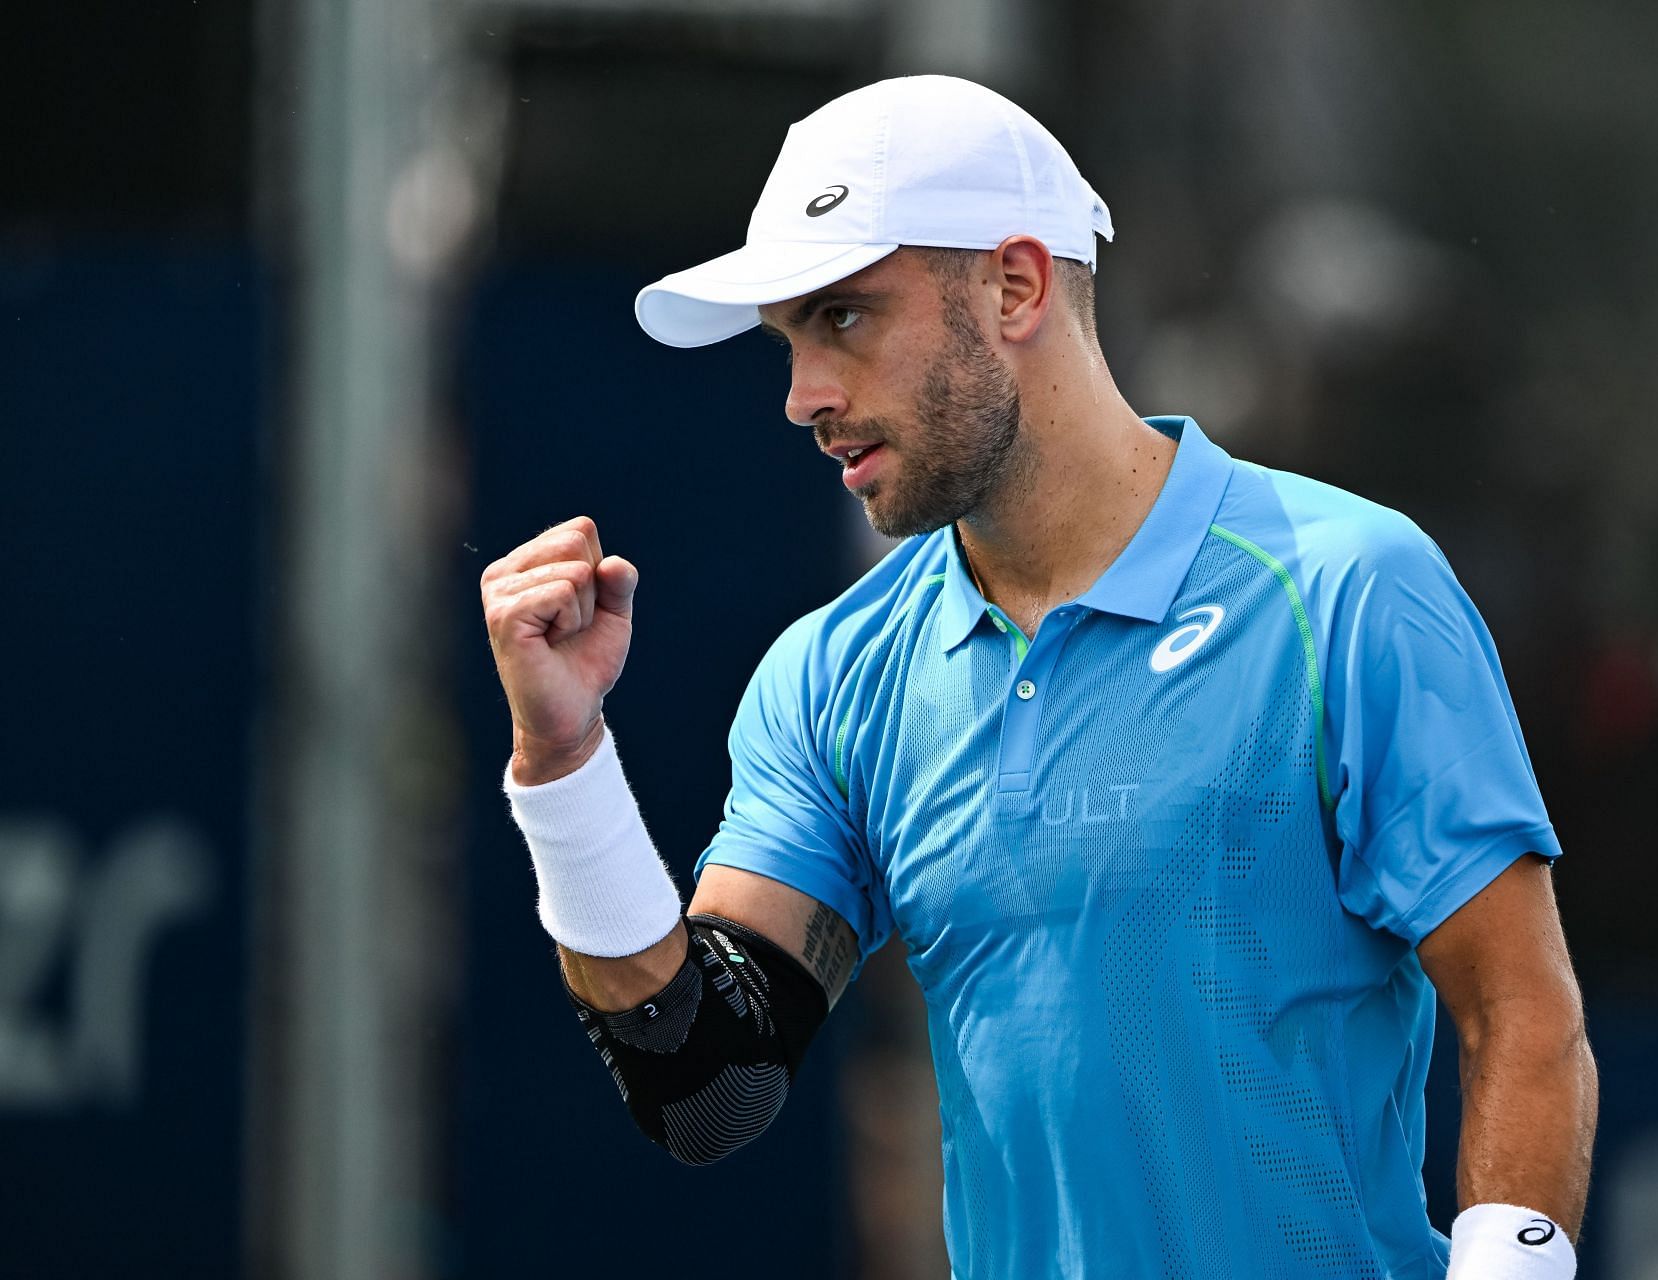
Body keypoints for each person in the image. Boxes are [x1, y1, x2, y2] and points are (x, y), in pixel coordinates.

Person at [482, 74, 1597, 1279]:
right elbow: (710, 1086)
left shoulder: (1349, 587)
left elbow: (1522, 1015)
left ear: (1013, 285)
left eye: (845, 317)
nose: (802, 396)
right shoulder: (834, 674)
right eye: (789, 339)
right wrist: (564, 764)